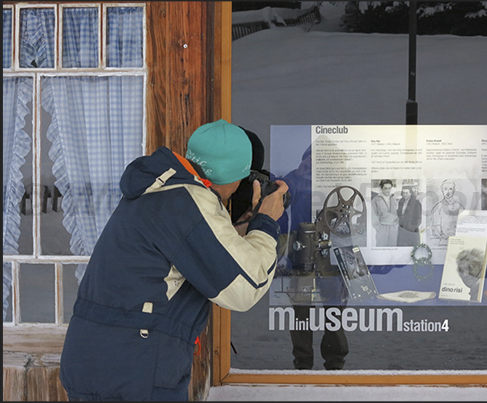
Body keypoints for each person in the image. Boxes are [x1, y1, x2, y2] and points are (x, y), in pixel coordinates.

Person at [59, 119, 289, 401]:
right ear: (233, 176)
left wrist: (244, 227)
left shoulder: (156, 190)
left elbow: (197, 251)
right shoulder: (189, 200)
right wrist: (265, 222)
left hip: (92, 359)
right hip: (136, 370)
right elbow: (246, 287)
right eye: (242, 178)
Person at [276, 146, 349, 370]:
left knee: (334, 310)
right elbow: (281, 200)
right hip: (301, 256)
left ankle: (335, 365)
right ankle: (303, 365)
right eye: (309, 158)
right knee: (301, 311)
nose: (313, 163)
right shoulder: (295, 181)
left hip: (331, 257)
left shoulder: (341, 185)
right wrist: (299, 174)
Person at [371, 179, 398, 246]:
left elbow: (397, 213)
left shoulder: (393, 199)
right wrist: (378, 228)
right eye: (385, 188)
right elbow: (373, 215)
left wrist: (397, 224)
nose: (388, 190)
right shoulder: (376, 200)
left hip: (393, 228)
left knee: (393, 248)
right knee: (381, 248)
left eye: (389, 188)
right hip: (383, 228)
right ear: (381, 188)